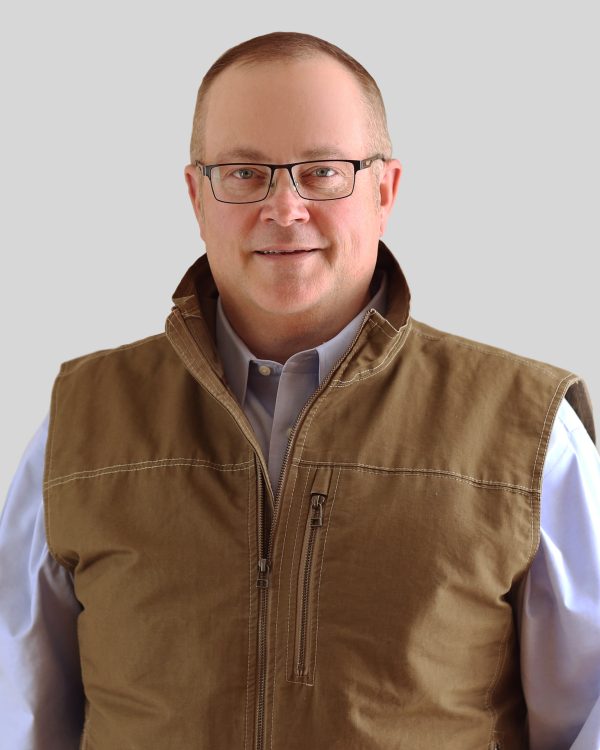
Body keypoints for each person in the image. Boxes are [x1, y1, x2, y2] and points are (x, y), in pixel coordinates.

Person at [1, 31, 599, 750]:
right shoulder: (82, 424)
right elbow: (16, 716)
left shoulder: (525, 431)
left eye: (322, 172)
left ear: (385, 190)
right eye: (244, 174)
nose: (284, 209)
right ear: (197, 197)